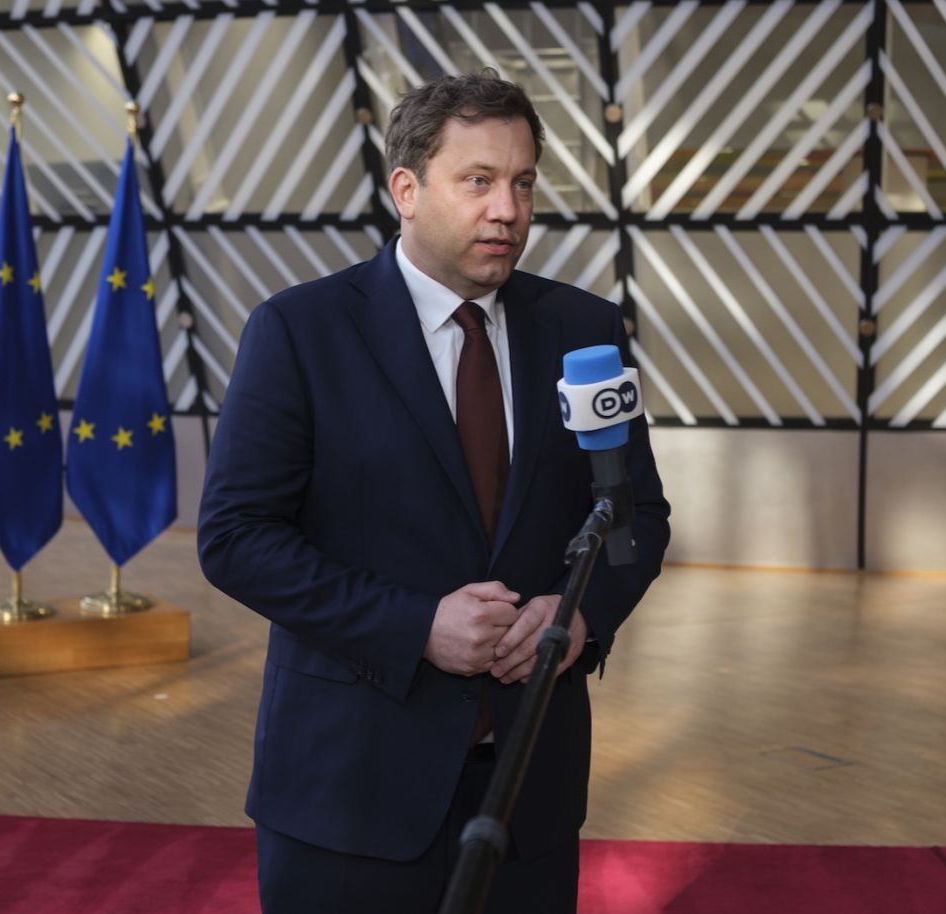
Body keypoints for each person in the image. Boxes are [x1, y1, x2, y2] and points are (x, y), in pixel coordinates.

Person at [198, 71, 670, 913]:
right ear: (406, 191)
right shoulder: (300, 332)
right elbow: (236, 537)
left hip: (528, 793)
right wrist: (417, 626)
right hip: (349, 796)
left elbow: (637, 513)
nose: (508, 210)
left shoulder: (583, 330)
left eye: (523, 183)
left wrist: (578, 619)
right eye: (479, 181)